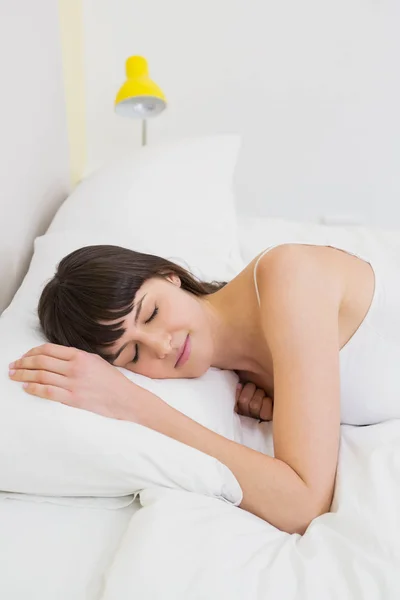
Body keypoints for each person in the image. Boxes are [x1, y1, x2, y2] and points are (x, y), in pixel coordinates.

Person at [8, 241, 400, 534]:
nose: (162, 345)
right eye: (132, 355)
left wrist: (135, 404)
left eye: (153, 312)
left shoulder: (288, 276)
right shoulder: (236, 381)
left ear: (169, 276)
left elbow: (302, 505)